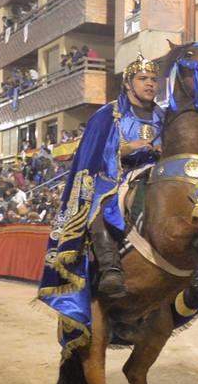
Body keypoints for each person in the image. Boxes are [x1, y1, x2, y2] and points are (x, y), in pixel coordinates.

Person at [36, 54, 164, 354]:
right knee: (100, 207)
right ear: (129, 83)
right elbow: (93, 155)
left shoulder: (164, 116)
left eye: (154, 79)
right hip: (113, 178)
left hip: (156, 178)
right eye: (143, 79)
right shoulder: (109, 115)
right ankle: (109, 269)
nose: (150, 84)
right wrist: (125, 148)